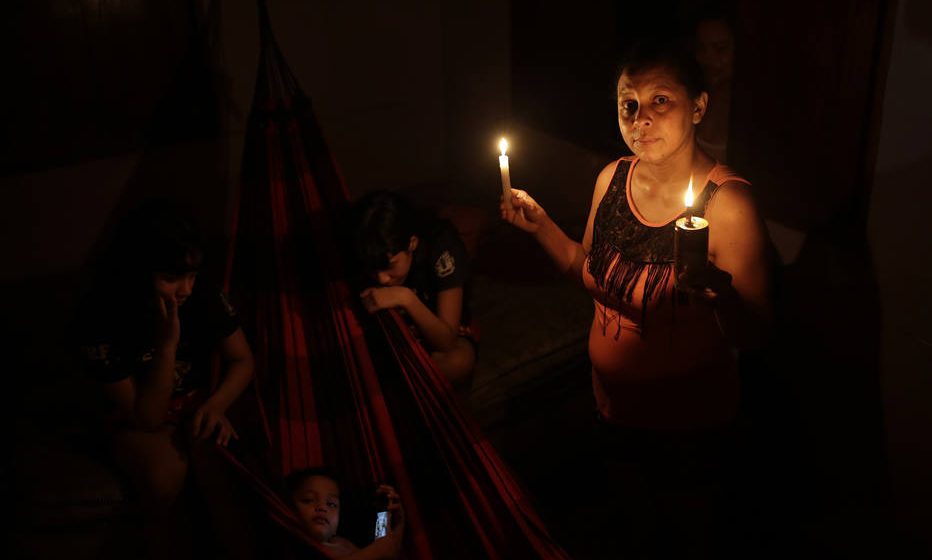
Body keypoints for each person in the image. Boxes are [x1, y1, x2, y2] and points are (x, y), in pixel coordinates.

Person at [501, 40, 771, 557]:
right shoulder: (612, 178)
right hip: (612, 411)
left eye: (660, 101)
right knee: (635, 532)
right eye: (629, 104)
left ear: (698, 105)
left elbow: (756, 335)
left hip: (689, 429)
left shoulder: (729, 204)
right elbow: (589, 271)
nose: (640, 118)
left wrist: (721, 297)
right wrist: (539, 227)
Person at [77, 199, 256, 559]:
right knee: (164, 476)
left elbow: (242, 359)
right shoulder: (102, 316)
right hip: (138, 419)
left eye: (190, 276)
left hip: (196, 403)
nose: (185, 290)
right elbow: (148, 418)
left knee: (219, 460)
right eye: (171, 278)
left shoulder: (201, 294)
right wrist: (167, 344)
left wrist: (216, 404)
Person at [349, 190, 477, 390]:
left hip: (441, 331)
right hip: (398, 337)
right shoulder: (366, 248)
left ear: (412, 243)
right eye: (374, 269)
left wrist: (405, 298)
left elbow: (446, 341)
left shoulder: (441, 247)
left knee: (458, 361)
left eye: (390, 265)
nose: (382, 278)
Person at [285, 467, 405, 559]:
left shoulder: (342, 544)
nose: (322, 507)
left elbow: (387, 550)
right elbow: (380, 550)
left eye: (331, 504)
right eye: (308, 500)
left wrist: (384, 515)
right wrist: (374, 552)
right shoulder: (292, 544)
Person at [693, 7, 737, 162]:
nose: (709, 59)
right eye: (701, 48)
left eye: (720, 49)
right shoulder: (687, 102)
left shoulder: (753, 114)